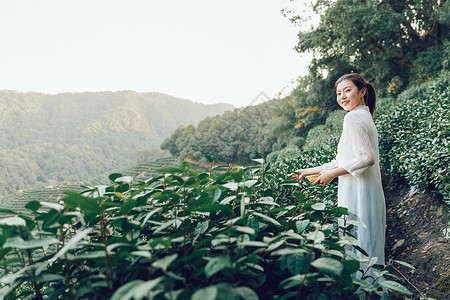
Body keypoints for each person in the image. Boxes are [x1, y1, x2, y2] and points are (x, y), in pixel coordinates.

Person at [291, 73, 386, 278]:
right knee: (367, 242)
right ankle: (371, 289)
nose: (342, 96)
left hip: (358, 192)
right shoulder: (364, 114)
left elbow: (366, 158)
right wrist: (309, 171)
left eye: (347, 90)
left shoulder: (352, 117)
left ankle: (362, 289)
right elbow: (345, 159)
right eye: (338, 93)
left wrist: (332, 174)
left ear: (362, 92)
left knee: (358, 242)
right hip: (368, 190)